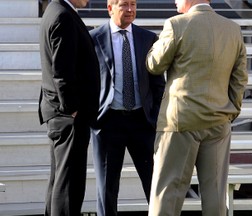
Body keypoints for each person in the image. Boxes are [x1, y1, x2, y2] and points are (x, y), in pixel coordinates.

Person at [146, 0, 248, 216]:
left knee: (167, 196)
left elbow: (154, 64)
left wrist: (154, 45)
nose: (174, 1)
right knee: (216, 199)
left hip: (180, 122)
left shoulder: (176, 24)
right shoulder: (233, 29)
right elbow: (240, 79)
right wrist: (230, 111)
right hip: (219, 121)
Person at [89, 0, 165, 215]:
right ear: (110, 8)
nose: (130, 10)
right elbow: (87, 81)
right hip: (108, 122)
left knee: (154, 184)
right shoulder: (94, 39)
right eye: (123, 5)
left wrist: (155, 115)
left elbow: (158, 84)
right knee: (107, 188)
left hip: (143, 122)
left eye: (133, 4)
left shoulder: (148, 38)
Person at [38, 0, 100, 215]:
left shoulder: (56, 10)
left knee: (59, 181)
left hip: (60, 114)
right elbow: (61, 71)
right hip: (69, 116)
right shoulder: (63, 15)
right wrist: (72, 109)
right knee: (68, 187)